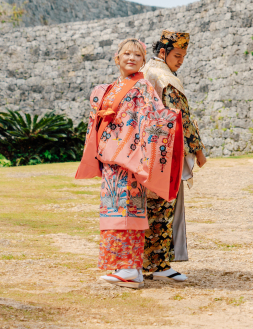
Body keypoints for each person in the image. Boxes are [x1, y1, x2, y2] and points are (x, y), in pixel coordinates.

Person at [75, 38, 184, 289]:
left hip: (130, 160)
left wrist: (172, 121)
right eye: (126, 54)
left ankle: (130, 268)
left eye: (137, 55)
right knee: (116, 211)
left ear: (143, 62)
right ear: (117, 57)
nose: (131, 58)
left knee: (128, 211)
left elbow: (155, 116)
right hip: (112, 161)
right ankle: (127, 267)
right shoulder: (109, 88)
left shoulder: (143, 87)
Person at [141, 30, 207, 282]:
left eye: (183, 56)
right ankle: (158, 264)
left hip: (146, 149)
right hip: (165, 152)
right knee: (162, 206)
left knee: (148, 207)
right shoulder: (165, 78)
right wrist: (199, 151)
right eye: (177, 55)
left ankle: (146, 263)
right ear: (162, 52)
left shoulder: (147, 72)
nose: (180, 60)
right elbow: (180, 117)